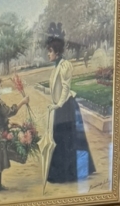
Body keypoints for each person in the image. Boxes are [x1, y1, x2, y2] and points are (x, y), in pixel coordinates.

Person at [35, 26, 96, 185]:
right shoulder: (56, 67)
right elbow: (57, 90)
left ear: (57, 52)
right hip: (61, 107)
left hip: (67, 106)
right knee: (60, 139)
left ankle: (71, 174)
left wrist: (58, 105)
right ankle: (62, 173)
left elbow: (66, 88)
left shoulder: (64, 66)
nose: (48, 54)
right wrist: (43, 89)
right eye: (48, 51)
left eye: (50, 51)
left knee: (68, 139)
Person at [0, 78, 26, 195]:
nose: (2, 88)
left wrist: (8, 124)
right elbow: (10, 112)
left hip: (0, 131)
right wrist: (22, 102)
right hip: (0, 134)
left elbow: (1, 118)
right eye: (1, 86)